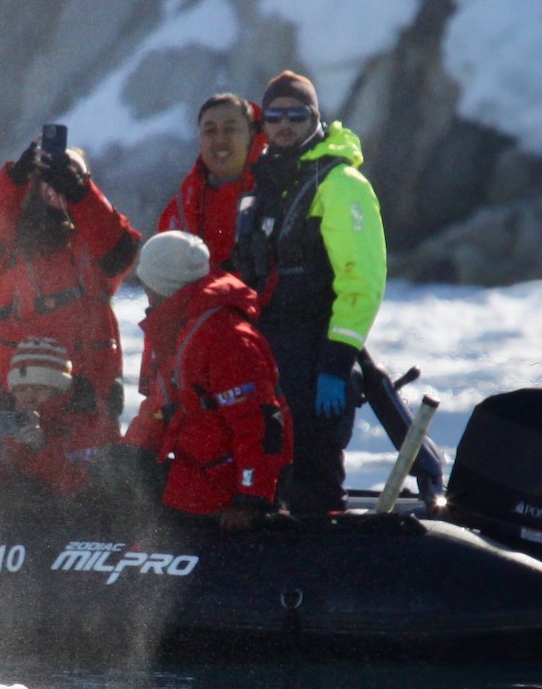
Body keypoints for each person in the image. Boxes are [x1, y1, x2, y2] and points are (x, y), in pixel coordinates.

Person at [229, 71, 387, 515]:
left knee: (314, 465)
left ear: (315, 118)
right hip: (267, 349)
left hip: (317, 353)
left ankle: (322, 561)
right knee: (270, 459)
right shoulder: (263, 183)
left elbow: (363, 280)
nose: (284, 125)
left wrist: (337, 361)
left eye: (296, 115)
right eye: (275, 115)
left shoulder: (340, 185)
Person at [0, 134, 141, 419]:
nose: (57, 185)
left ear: (88, 186)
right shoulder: (9, 251)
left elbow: (121, 250)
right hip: (18, 397)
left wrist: (80, 194)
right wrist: (15, 177)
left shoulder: (97, 249)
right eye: (47, 177)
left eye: (70, 176)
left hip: (88, 399)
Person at [123, 232, 290, 526]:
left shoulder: (227, 338)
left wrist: (250, 499)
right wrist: (129, 454)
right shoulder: (180, 327)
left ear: (163, 284)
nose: (144, 289)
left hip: (225, 496)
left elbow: (258, 423)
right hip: (193, 481)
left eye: (147, 282)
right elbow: (162, 406)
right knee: (113, 478)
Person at [0, 337, 120, 499]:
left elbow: (89, 495)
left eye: (39, 389)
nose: (28, 398)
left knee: (29, 489)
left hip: (63, 520)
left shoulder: (92, 427)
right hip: (8, 520)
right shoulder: (4, 426)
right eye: (21, 389)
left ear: (60, 390)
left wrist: (43, 451)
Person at [155, 94, 263, 268]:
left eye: (230, 129)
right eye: (210, 130)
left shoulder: (276, 192)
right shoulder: (181, 206)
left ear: (251, 134)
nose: (220, 140)